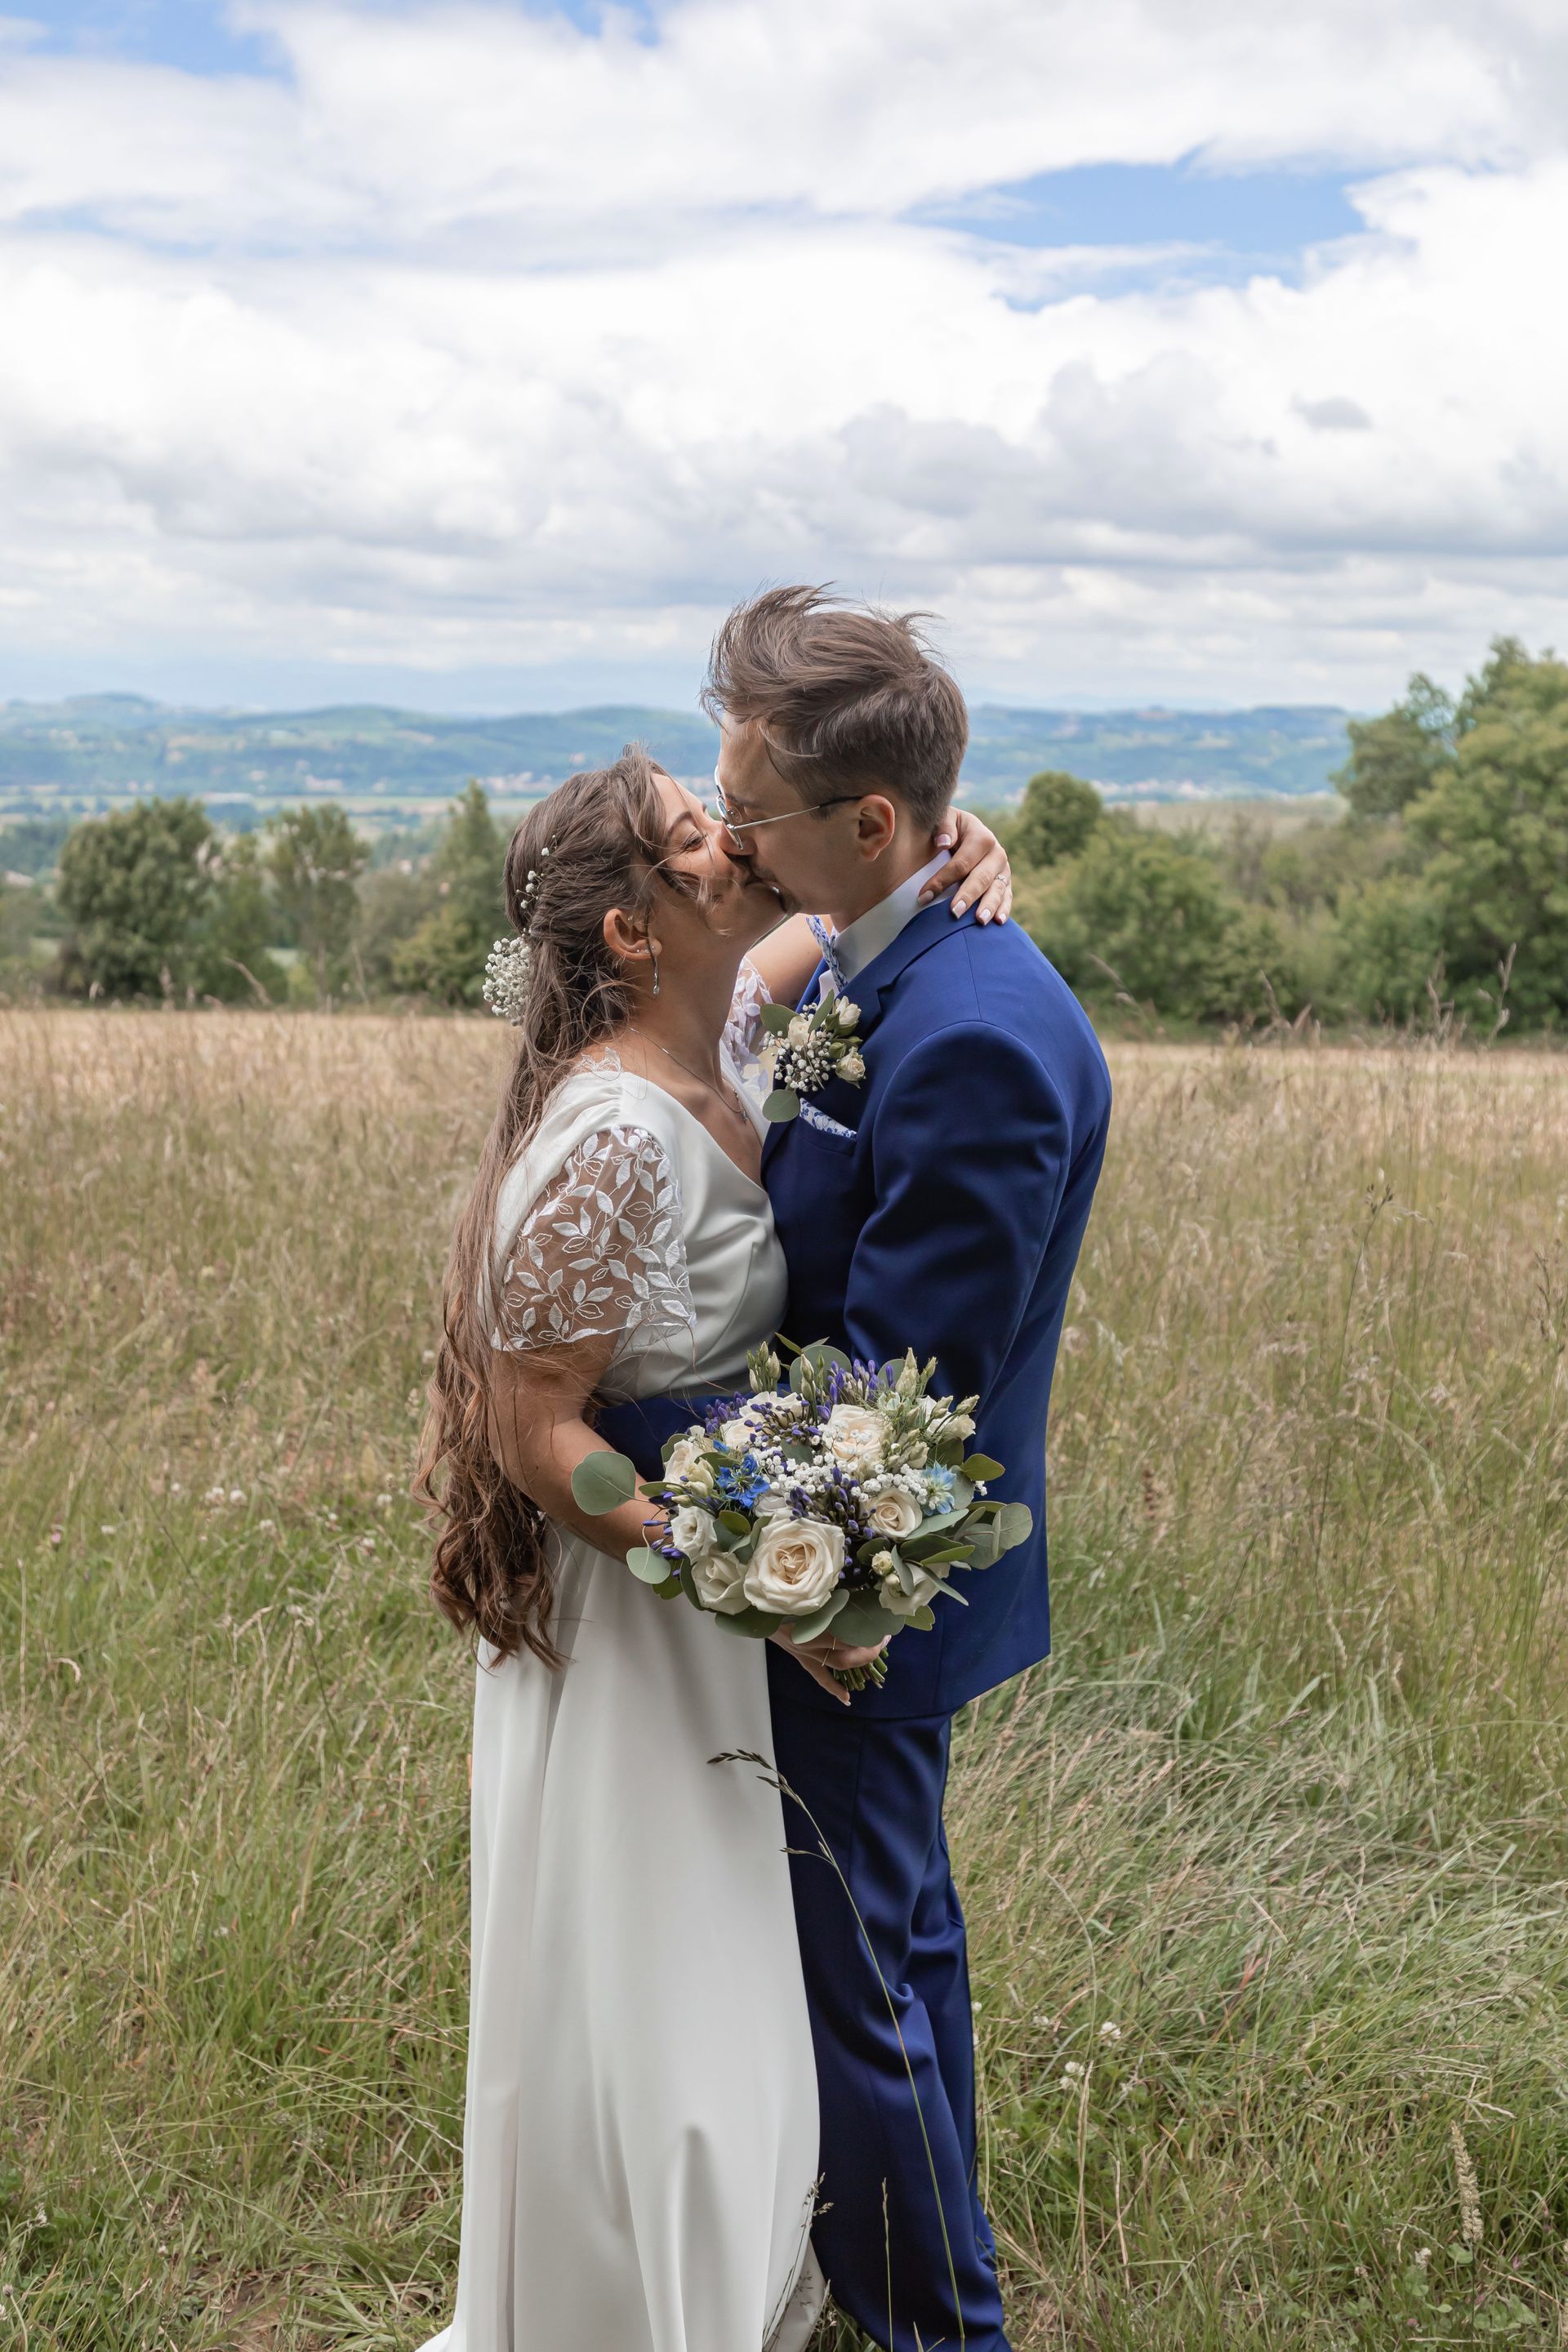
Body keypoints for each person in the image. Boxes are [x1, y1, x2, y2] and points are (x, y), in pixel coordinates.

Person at [415, 742, 1013, 2352]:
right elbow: (530, 1425)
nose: (741, 838)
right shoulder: (610, 1136)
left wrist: (954, 844)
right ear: (632, 927)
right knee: (651, 2015)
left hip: (718, 1617)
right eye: (702, 833)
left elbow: (845, 902)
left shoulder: (737, 1025)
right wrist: (748, 1578)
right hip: (641, 1625)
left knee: (744, 1998)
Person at [621, 587, 1113, 2350]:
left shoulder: (972, 1024)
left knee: (863, 1995)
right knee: (896, 1959)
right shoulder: (872, 954)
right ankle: (919, 2289)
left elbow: (897, 1398)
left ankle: (937, 2330)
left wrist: (613, 1444)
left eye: (751, 809)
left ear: (877, 821)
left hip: (863, 1588)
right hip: (840, 1559)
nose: (732, 834)